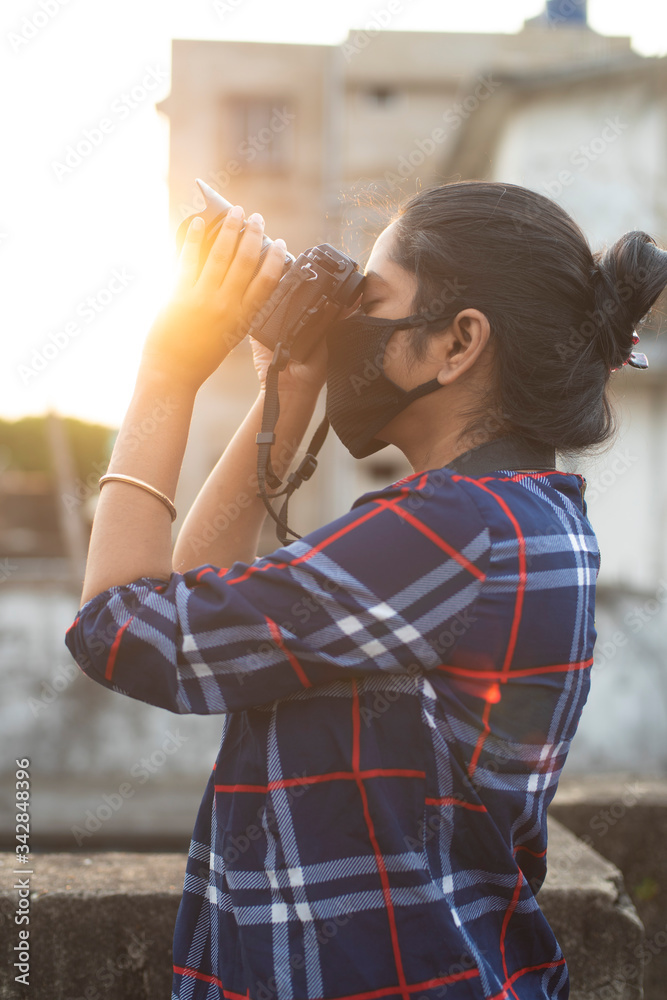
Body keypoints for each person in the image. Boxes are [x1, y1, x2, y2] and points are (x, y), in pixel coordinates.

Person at [65, 181, 667, 1000]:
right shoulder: (532, 514)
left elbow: (122, 629)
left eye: (370, 301)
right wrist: (293, 383)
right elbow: (196, 590)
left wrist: (168, 370)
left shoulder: (444, 530)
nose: (349, 327)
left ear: (458, 342)